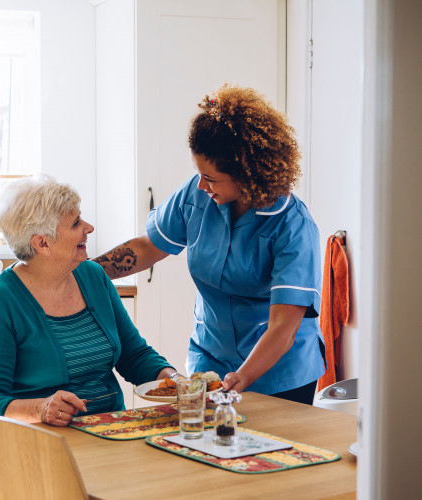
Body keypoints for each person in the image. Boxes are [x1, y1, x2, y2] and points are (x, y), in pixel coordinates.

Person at [93, 84, 325, 405]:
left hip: (278, 373)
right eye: (198, 173)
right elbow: (148, 247)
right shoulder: (197, 194)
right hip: (210, 362)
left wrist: (244, 375)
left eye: (211, 178)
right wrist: (86, 273)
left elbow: (284, 325)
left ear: (247, 173)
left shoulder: (292, 225)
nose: (201, 184)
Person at [0, 174, 179, 428]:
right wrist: (42, 408)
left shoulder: (93, 276)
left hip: (110, 430)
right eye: (76, 223)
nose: (89, 228)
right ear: (42, 243)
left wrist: (174, 379)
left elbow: (134, 356)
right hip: (41, 441)